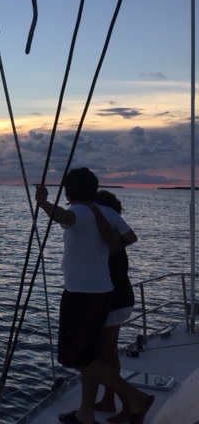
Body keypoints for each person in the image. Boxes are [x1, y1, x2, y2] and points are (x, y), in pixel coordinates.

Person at [34, 168, 154, 424]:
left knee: (73, 356)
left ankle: (135, 397)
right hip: (98, 292)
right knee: (91, 355)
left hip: (83, 295)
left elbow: (63, 215)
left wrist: (43, 201)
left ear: (68, 191)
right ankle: (86, 413)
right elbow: (128, 238)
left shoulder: (79, 211)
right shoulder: (105, 212)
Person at [93, 190, 137, 423]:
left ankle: (129, 404)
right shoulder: (114, 239)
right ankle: (109, 400)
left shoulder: (111, 242)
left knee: (99, 356)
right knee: (110, 352)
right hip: (121, 300)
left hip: (114, 302)